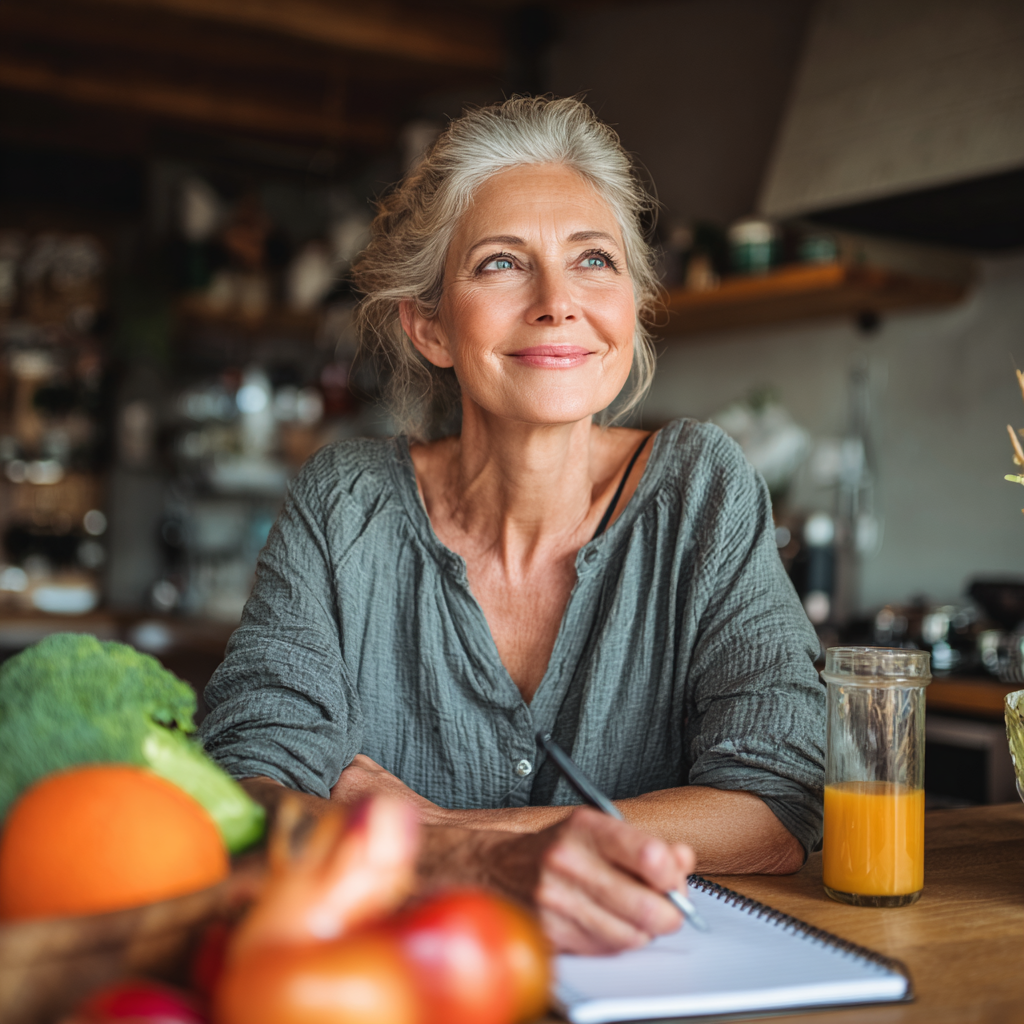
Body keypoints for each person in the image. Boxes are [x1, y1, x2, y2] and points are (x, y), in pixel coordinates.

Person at [200, 96, 825, 955]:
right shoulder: (345, 505)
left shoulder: (700, 492)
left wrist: (447, 840)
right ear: (429, 325)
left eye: (594, 260)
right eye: (501, 263)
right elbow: (247, 782)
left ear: (632, 306)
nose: (557, 302)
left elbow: (775, 806)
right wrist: (479, 856)